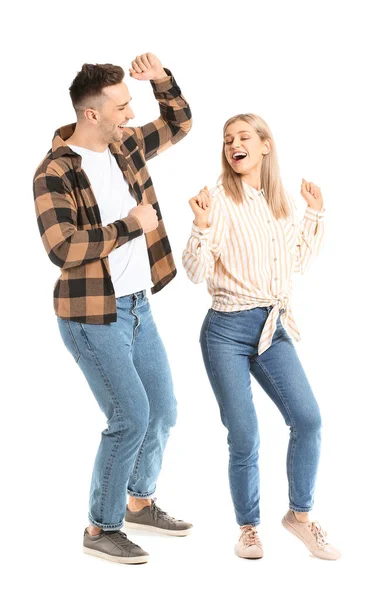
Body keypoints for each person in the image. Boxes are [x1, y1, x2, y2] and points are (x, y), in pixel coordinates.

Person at [33, 53, 193, 565]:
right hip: (90, 315)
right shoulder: (54, 172)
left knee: (163, 412)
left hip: (138, 305)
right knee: (131, 416)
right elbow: (62, 248)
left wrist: (162, 80)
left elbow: (178, 123)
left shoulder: (125, 144)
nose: (130, 113)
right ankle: (101, 527)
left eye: (130, 104)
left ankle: (140, 501)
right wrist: (128, 226)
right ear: (92, 114)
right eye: (122, 106)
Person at [182, 113, 341, 561]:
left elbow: (297, 264)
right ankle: (249, 528)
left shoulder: (283, 203)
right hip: (225, 332)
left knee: (308, 420)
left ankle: (300, 518)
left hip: (273, 327)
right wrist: (201, 225)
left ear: (265, 145)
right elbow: (195, 273)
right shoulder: (216, 200)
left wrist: (315, 212)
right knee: (246, 434)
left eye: (244, 137)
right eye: (228, 139)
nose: (234, 144)